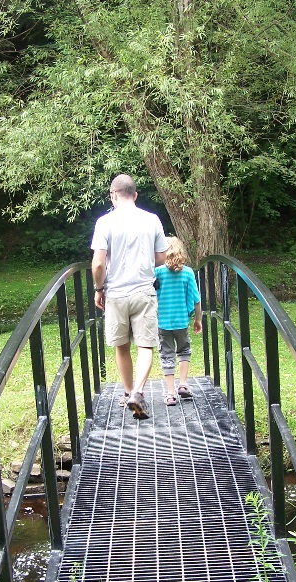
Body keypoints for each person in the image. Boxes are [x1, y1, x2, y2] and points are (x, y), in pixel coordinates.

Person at [90, 174, 168, 418]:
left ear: (113, 194)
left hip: (115, 293)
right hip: (144, 291)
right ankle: (138, 392)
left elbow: (98, 264)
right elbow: (162, 258)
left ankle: (127, 392)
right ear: (135, 195)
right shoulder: (152, 220)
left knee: (121, 346)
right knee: (145, 345)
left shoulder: (105, 222)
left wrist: (98, 289)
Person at [154, 236, 202, 406]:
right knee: (184, 350)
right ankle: (183, 384)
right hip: (181, 321)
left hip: (162, 322)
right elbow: (196, 299)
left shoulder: (157, 272)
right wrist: (197, 319)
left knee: (166, 354)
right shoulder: (188, 272)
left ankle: (170, 393)